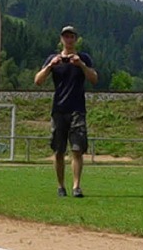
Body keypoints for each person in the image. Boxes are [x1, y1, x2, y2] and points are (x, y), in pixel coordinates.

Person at [34, 25, 98, 198]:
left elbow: (94, 79)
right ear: (61, 39)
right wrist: (50, 67)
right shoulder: (53, 59)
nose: (68, 40)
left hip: (77, 109)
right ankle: (60, 186)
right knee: (59, 150)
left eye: (71, 37)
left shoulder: (83, 58)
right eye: (66, 37)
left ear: (75, 39)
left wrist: (81, 65)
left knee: (77, 149)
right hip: (59, 110)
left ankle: (76, 186)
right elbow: (38, 81)